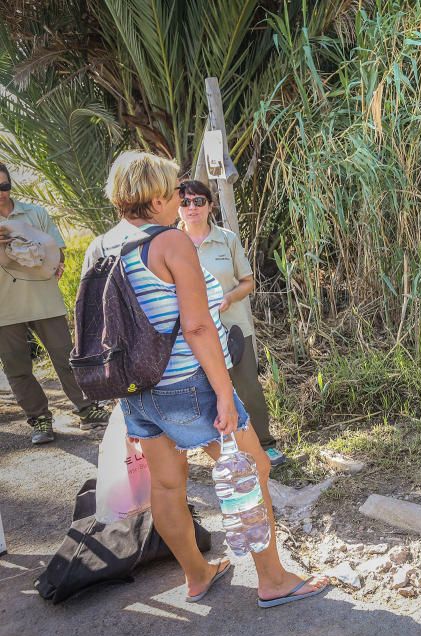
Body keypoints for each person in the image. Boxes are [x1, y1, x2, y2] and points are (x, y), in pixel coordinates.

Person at [102, 151, 327, 606]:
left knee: (167, 484)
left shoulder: (102, 244)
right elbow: (199, 325)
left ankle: (198, 575)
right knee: (252, 468)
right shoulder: (170, 243)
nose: (179, 198)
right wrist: (224, 392)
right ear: (159, 195)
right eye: (174, 190)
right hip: (188, 384)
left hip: (139, 390)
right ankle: (273, 580)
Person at [176, 180, 284, 467]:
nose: (192, 208)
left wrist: (228, 297)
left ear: (210, 205)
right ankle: (225, 450)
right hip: (191, 334)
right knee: (202, 391)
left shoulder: (227, 239)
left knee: (247, 386)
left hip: (233, 328)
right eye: (185, 202)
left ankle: (265, 444)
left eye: (199, 201)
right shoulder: (172, 243)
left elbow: (248, 282)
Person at [0, 162, 110, 443]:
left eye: (4, 185)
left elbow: (57, 252)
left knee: (66, 357)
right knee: (17, 368)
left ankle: (87, 409)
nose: (1, 192)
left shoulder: (35, 213)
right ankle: (40, 420)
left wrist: (52, 260)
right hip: (4, 307)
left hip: (44, 299)